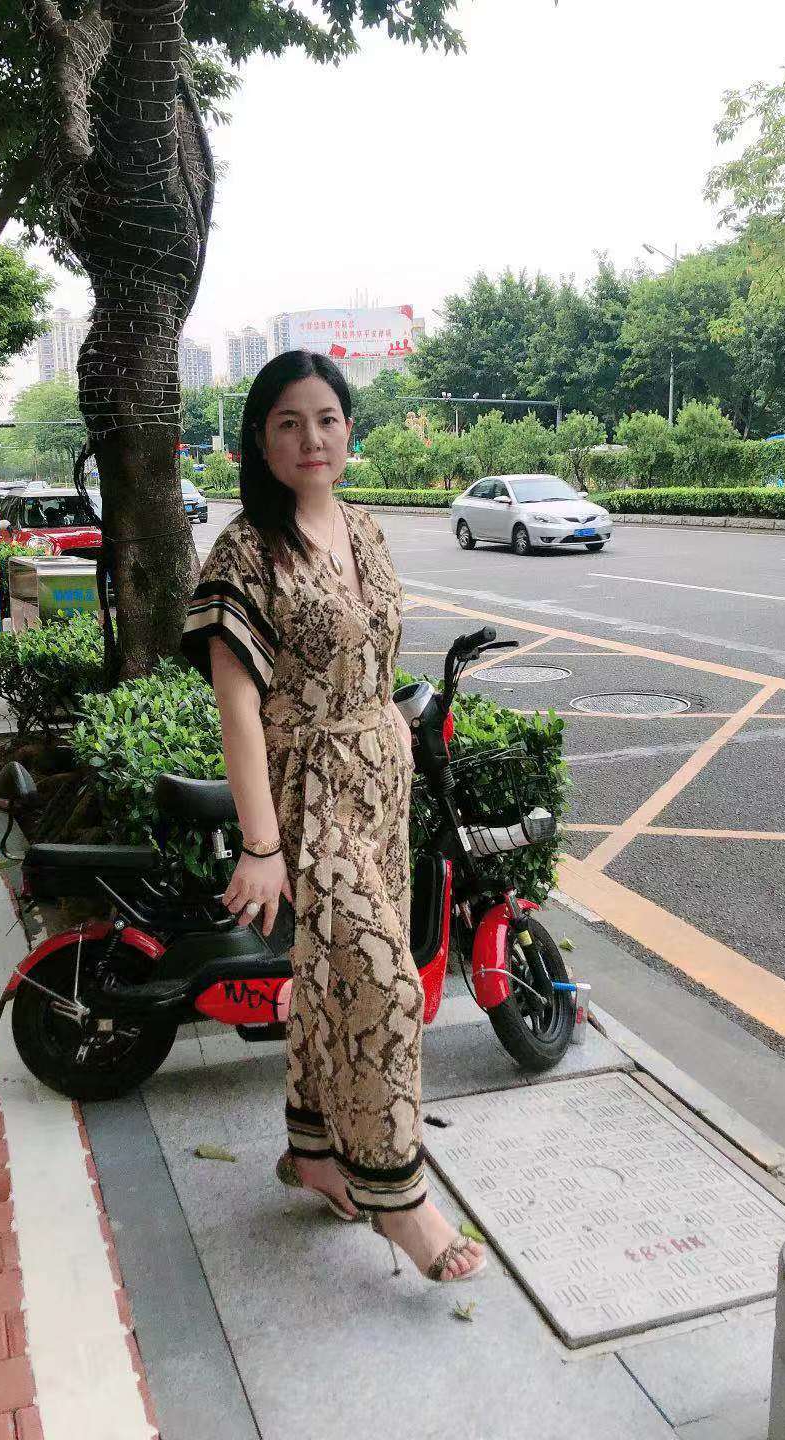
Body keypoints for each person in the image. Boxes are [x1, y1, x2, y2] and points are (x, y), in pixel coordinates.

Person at [182, 351, 485, 1284]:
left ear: (349, 428)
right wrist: (261, 845)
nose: (311, 438)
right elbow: (238, 708)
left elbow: (376, 656)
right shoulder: (245, 553)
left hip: (381, 784)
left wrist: (396, 735)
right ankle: (400, 1198)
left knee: (327, 980)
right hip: (308, 796)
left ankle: (314, 1152)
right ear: (260, 440)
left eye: (326, 418)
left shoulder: (363, 527)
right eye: (288, 422)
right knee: (387, 985)